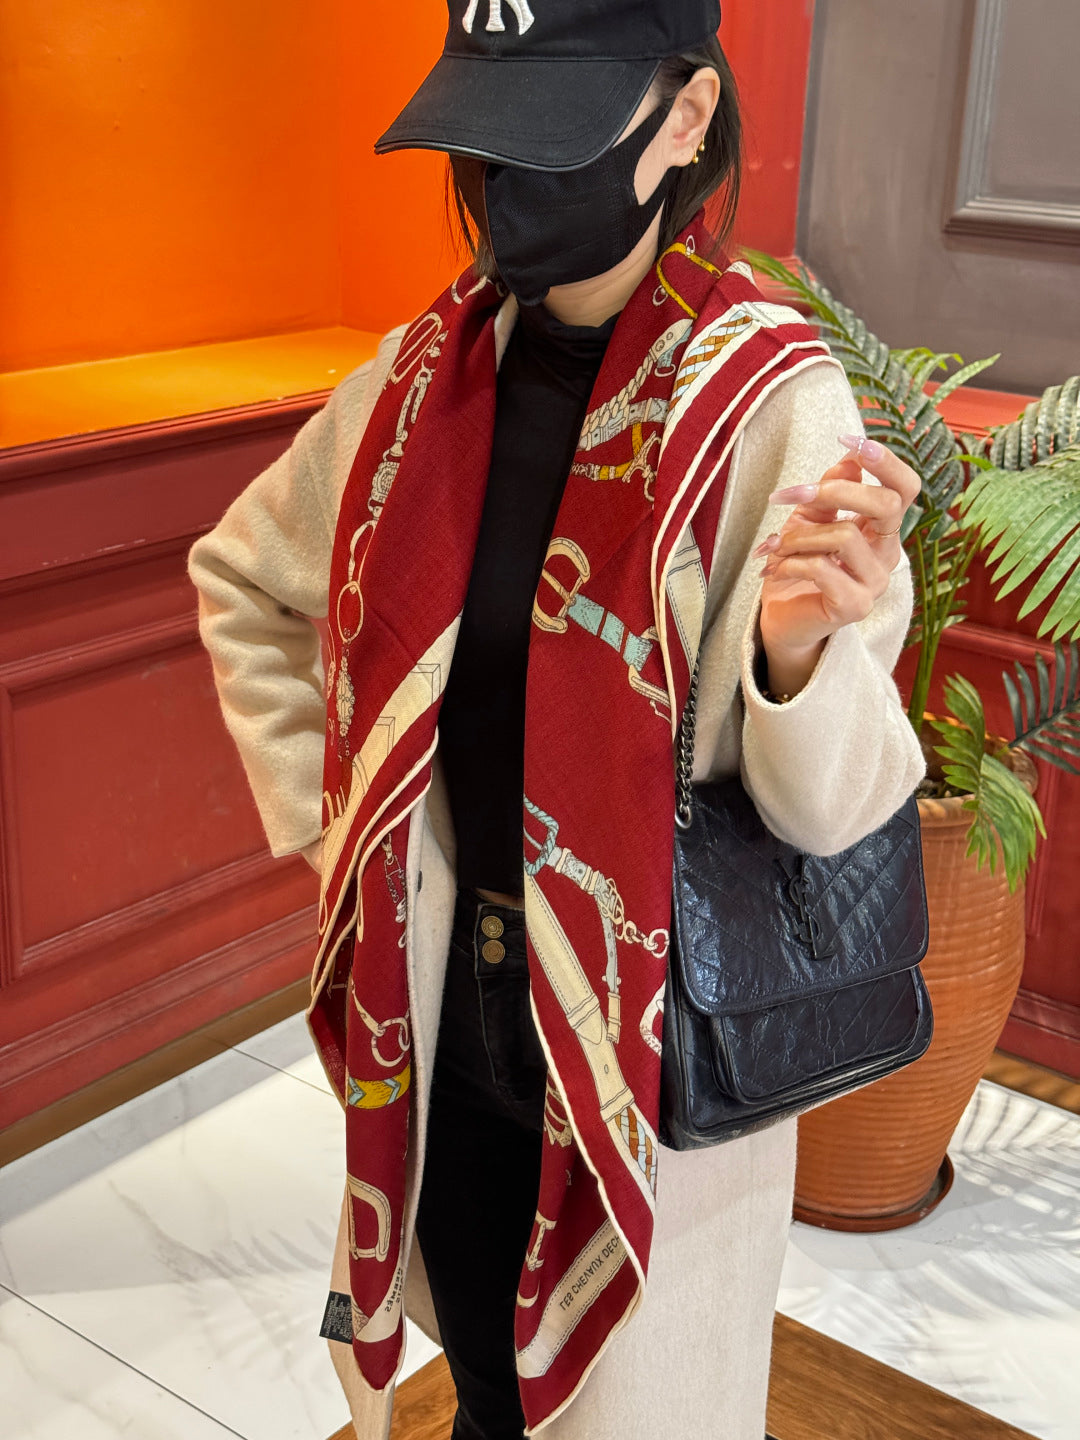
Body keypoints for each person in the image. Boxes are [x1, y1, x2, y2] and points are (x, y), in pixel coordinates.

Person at [188, 3, 926, 1437]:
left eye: (552, 136)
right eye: (484, 138)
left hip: (649, 1060)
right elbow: (247, 580)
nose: (506, 184)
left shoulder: (770, 406)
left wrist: (792, 657)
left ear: (687, 121)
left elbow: (832, 815)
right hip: (446, 1022)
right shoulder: (422, 383)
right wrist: (347, 841)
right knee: (482, 1385)